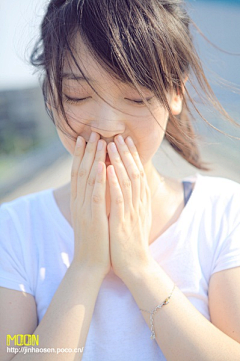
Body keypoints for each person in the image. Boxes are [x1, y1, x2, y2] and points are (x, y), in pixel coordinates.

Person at [0, 0, 240, 360]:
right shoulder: (16, 228)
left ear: (176, 92)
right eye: (78, 95)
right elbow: (16, 349)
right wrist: (86, 266)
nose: (108, 126)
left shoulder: (222, 213)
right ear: (50, 91)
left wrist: (138, 267)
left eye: (137, 97)